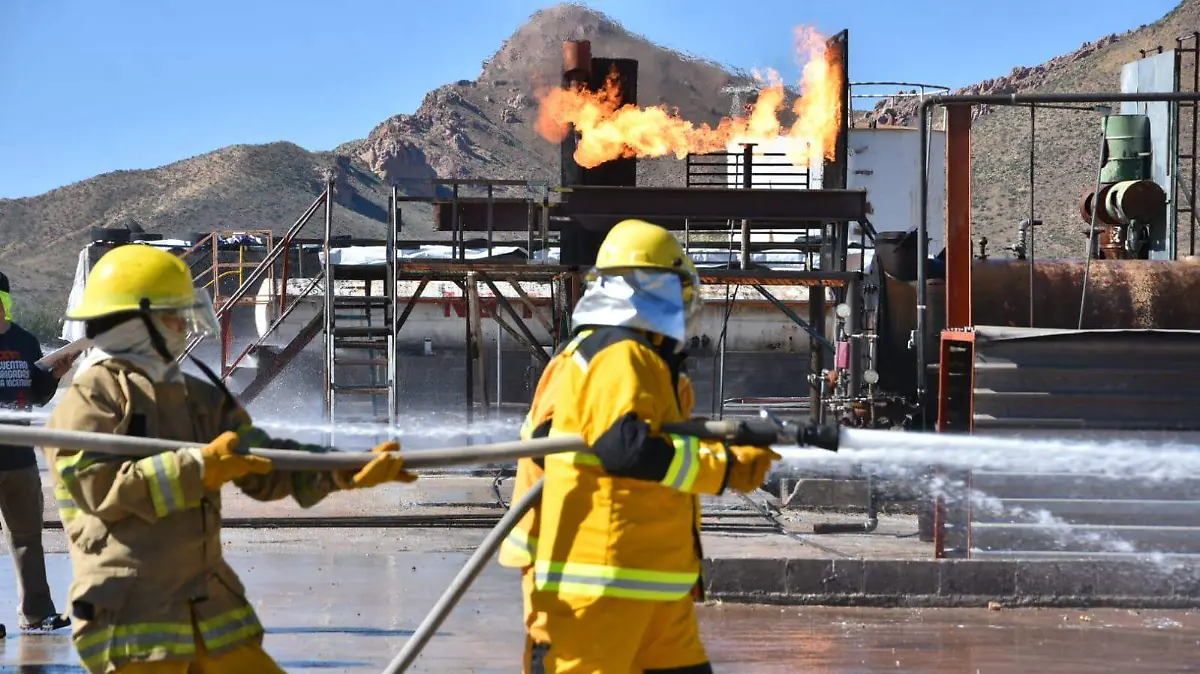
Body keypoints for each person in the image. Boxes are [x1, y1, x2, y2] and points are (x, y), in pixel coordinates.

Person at [42, 244, 418, 674]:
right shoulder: (92, 397)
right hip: (133, 616)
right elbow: (97, 489)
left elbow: (260, 461)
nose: (184, 326)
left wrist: (342, 469)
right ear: (136, 323)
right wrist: (200, 467)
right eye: (174, 315)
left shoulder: (195, 395)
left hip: (208, 610)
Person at [526, 219, 781, 673]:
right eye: (679, 293)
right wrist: (721, 468)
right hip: (601, 588)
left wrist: (724, 444)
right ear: (652, 289)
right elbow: (625, 447)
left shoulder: (644, 357)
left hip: (652, 587)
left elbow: (651, 437)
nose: (686, 306)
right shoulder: (617, 353)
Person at [0, 271, 77, 636]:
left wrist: (55, 375)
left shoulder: (26, 342)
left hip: (20, 460)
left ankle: (36, 614)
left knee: (28, 538)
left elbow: (37, 396)